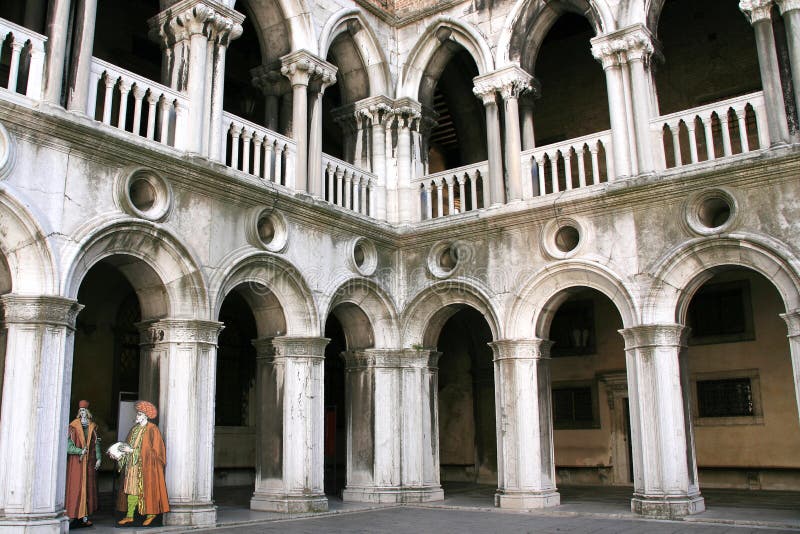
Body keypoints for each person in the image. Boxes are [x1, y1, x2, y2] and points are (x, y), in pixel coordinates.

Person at [114, 400, 169, 526]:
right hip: (133, 466)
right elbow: (129, 445)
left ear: (145, 415)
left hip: (147, 467)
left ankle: (151, 514)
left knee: (147, 490)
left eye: (139, 414)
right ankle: (130, 516)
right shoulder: (134, 429)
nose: (137, 416)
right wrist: (122, 451)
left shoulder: (152, 429)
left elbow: (157, 451)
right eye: (137, 414)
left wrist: (132, 450)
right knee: (131, 490)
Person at [65, 400, 101, 527]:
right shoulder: (73, 426)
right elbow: (68, 446)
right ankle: (74, 516)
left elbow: (96, 443)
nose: (82, 413)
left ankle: (84, 517)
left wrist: (98, 458)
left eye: (84, 410)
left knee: (88, 490)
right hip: (77, 464)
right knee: (76, 488)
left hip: (89, 463)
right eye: (80, 411)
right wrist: (79, 450)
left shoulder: (92, 426)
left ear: (87, 412)